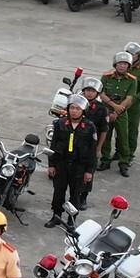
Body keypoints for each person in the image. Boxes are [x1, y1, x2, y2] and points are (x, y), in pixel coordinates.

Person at [45, 94, 97, 228]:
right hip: (61, 164)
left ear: (83, 111)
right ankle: (56, 216)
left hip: (79, 166)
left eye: (78, 108)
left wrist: (89, 171)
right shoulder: (60, 124)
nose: (74, 111)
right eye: (72, 108)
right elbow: (54, 145)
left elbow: (92, 151)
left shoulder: (89, 127)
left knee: (75, 195)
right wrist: (51, 165)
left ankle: (71, 221)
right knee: (58, 192)